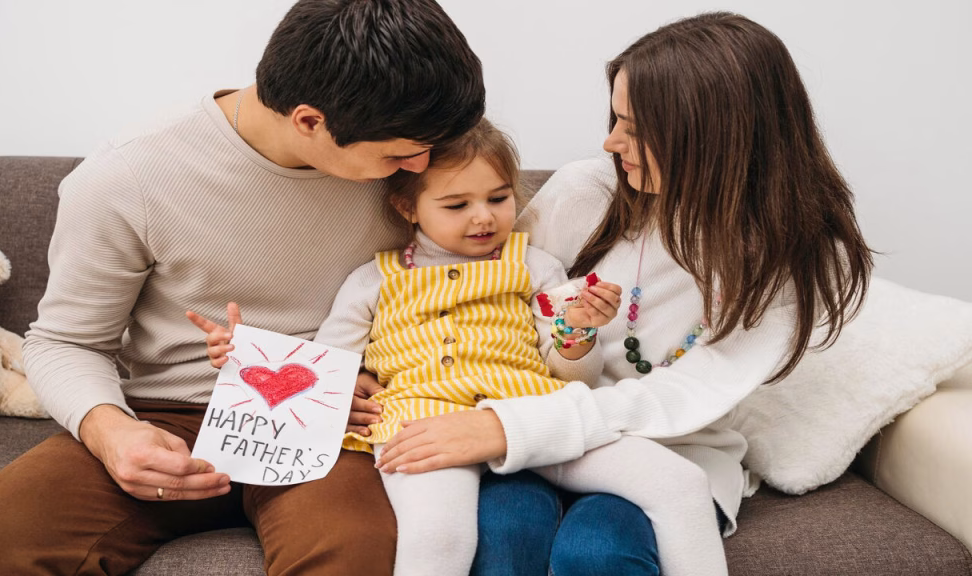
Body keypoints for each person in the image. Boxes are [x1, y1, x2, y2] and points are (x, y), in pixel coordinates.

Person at [0, 1, 485, 574]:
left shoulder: (426, 164)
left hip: (335, 419)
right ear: (309, 121)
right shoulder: (129, 176)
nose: (423, 165)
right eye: (402, 152)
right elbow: (64, 342)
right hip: (164, 412)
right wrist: (111, 432)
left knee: (351, 554)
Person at [372, 12, 874, 576]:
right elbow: (488, 297)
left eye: (634, 126)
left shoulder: (799, 256)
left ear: (710, 132)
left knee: (597, 552)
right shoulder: (588, 190)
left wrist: (507, 426)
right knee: (506, 534)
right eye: (616, 117)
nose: (611, 141)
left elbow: (683, 398)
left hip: (662, 447)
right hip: (530, 431)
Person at [190, 118, 625, 576]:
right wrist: (243, 353)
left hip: (524, 419)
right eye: (457, 205)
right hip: (416, 425)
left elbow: (571, 379)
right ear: (407, 207)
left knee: (642, 484)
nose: (483, 216)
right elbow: (325, 363)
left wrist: (577, 333)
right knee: (438, 536)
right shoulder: (374, 279)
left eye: (499, 198)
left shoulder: (537, 267)